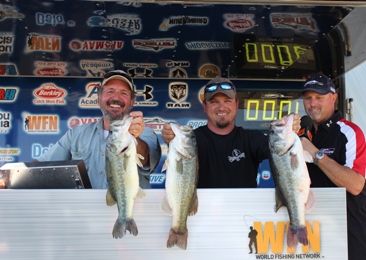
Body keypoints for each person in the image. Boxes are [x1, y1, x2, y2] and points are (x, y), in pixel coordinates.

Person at [0, 70, 161, 189]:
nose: (116, 98)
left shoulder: (145, 133)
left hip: (131, 217)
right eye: (110, 91)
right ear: (99, 99)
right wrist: (8, 177)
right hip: (86, 219)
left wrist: (135, 138)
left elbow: (146, 159)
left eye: (123, 93)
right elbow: (41, 165)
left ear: (132, 102)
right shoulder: (75, 135)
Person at [162, 76, 300, 188]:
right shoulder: (191, 140)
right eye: (214, 102)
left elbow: (281, 150)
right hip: (199, 215)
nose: (221, 107)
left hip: (243, 217)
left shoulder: (251, 138)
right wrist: (172, 138)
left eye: (227, 101)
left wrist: (288, 132)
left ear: (236, 104)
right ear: (205, 106)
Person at [299, 73, 366, 260]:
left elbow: (355, 185)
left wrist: (314, 153)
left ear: (334, 98)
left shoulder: (349, 132)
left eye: (319, 98)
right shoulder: (304, 134)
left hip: (348, 239)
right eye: (308, 98)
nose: (313, 104)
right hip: (313, 238)